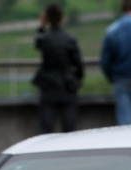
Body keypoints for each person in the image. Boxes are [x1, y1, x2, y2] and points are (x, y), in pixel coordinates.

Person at [33, 3, 84, 134]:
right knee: (69, 131)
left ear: (47, 18)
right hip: (67, 88)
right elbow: (79, 65)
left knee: (46, 131)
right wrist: (76, 79)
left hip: (48, 88)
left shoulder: (45, 38)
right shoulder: (69, 39)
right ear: (62, 18)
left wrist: (42, 26)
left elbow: (37, 43)